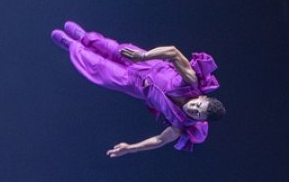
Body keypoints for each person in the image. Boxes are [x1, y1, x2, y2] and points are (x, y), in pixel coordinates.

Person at [50, 21, 225, 157]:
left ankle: (72, 46)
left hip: (135, 84)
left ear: (200, 120)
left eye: (197, 114)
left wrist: (130, 148)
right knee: (111, 48)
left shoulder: (181, 124)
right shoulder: (191, 82)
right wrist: (143, 56)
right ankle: (84, 37)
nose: (193, 109)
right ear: (201, 98)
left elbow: (159, 140)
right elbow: (173, 52)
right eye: (197, 106)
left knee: (100, 68)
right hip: (146, 63)